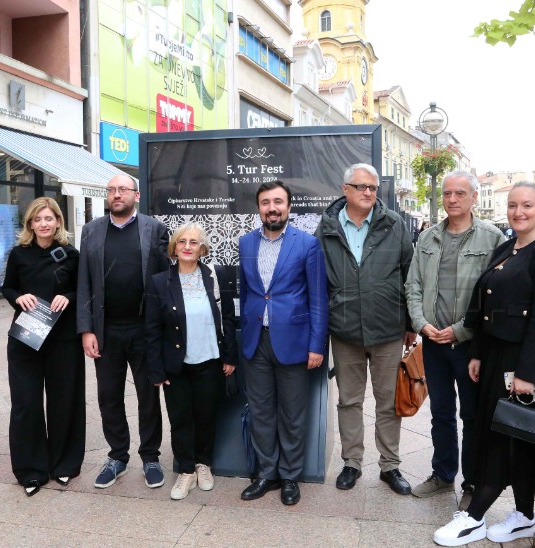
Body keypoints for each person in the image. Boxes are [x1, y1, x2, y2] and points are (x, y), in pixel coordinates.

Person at [433, 182, 535, 546]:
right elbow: (483, 306)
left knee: (507, 436)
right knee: (510, 433)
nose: (518, 212)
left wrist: (527, 375)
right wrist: (477, 351)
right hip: (495, 356)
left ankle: (475, 516)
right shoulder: (509, 247)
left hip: (524, 363)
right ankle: (524, 516)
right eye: (512, 205)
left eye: (527, 205)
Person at [405, 170, 505, 509]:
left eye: (460, 193)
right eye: (447, 193)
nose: (452, 199)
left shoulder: (491, 238)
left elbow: (496, 293)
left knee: (473, 415)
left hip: (470, 346)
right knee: (441, 412)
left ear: (474, 197)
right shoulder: (429, 237)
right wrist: (420, 323)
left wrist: (462, 329)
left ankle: (473, 482)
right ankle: (442, 474)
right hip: (433, 343)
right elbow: (413, 285)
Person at [315, 163, 416, 495]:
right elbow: (318, 279)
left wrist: (410, 324)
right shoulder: (327, 227)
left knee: (388, 401)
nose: (369, 193)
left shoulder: (394, 224)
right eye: (361, 187)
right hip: (344, 330)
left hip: (387, 329)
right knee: (349, 401)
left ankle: (390, 466)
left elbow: (409, 275)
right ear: (345, 189)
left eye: (373, 188)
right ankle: (351, 463)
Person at [77, 174, 170, 489]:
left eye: (122, 190)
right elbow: (84, 283)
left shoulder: (154, 230)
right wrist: (86, 329)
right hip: (106, 331)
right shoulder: (91, 231)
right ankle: (117, 455)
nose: (116, 194)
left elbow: (163, 280)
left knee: (148, 396)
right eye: (111, 190)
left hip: (144, 330)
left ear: (137, 195)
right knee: (109, 396)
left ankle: (150, 457)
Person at [238, 180, 328, 506]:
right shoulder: (245, 243)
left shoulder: (307, 244)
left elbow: (318, 299)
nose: (272, 207)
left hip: (294, 342)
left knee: (292, 414)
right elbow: (247, 293)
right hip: (255, 342)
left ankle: (290, 476)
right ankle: (266, 473)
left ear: (289, 206)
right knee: (261, 413)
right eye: (265, 202)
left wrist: (317, 345)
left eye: (278, 201)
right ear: (259, 207)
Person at [145, 222, 237, 500]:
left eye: (193, 242)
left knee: (206, 416)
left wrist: (230, 356)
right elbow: (151, 329)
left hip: (210, 361)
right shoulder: (160, 282)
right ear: (174, 247)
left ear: (202, 248)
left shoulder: (214, 276)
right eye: (182, 241)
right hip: (177, 366)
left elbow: (229, 319)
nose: (187, 246)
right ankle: (186, 470)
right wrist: (157, 370)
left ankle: (203, 465)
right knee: (180, 419)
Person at [2, 198, 84, 496]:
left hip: (63, 340)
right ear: (30, 224)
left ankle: (63, 465)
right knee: (26, 404)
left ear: (59, 221)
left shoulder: (72, 255)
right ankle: (31, 470)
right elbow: (8, 286)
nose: (44, 224)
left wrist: (69, 297)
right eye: (38, 219)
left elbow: (81, 289)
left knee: (65, 401)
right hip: (27, 338)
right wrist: (17, 298)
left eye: (49, 218)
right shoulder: (19, 254)